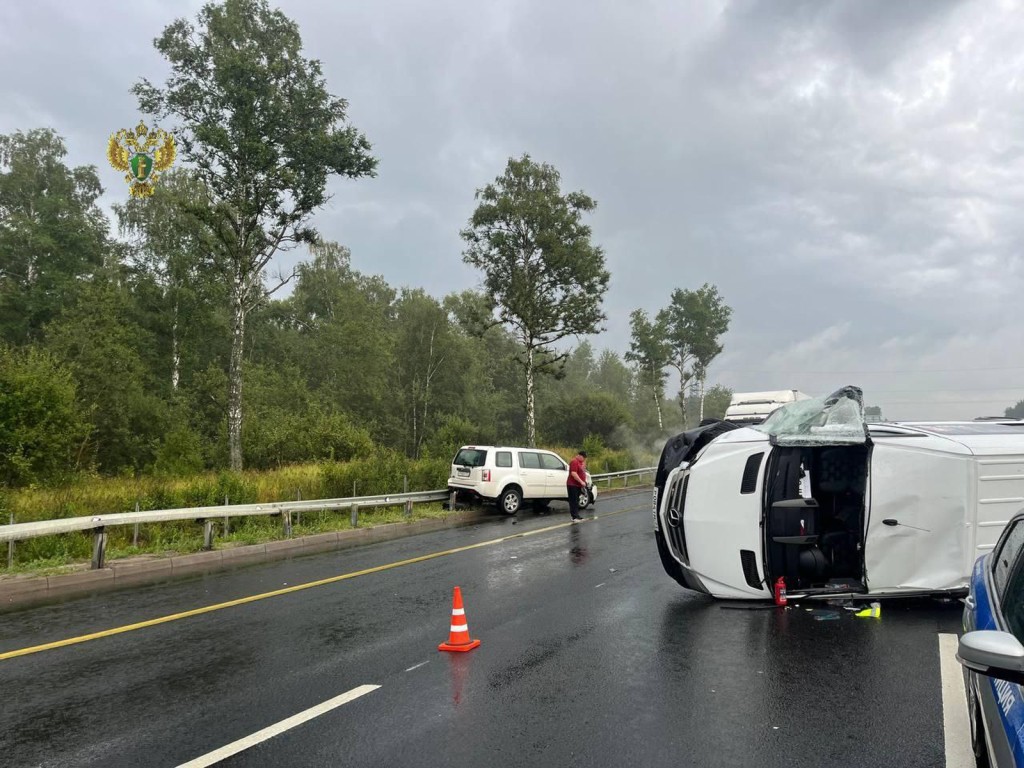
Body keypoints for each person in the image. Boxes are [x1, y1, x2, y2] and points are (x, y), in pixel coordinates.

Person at [567, 450, 588, 522]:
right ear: (579, 455)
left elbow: (582, 472)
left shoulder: (581, 463)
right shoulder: (574, 462)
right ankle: (574, 517)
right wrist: (581, 481)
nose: (584, 459)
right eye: (583, 457)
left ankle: (577, 515)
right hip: (572, 485)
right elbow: (573, 473)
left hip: (578, 485)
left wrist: (584, 481)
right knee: (573, 501)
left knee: (577, 501)